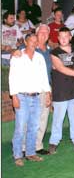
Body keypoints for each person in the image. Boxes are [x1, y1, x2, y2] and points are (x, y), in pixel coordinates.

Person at [9, 34, 51, 166]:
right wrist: (14, 96)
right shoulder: (17, 57)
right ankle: (17, 155)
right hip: (22, 96)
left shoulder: (39, 58)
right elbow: (12, 77)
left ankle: (30, 153)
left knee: (34, 126)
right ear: (25, 42)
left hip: (37, 96)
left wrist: (48, 94)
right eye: (31, 41)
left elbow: (44, 77)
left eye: (35, 41)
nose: (33, 43)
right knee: (20, 127)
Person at [48, 27, 74, 154]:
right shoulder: (54, 53)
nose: (64, 39)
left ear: (70, 37)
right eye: (61, 37)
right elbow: (61, 69)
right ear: (58, 38)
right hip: (61, 92)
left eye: (66, 36)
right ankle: (53, 143)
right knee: (58, 119)